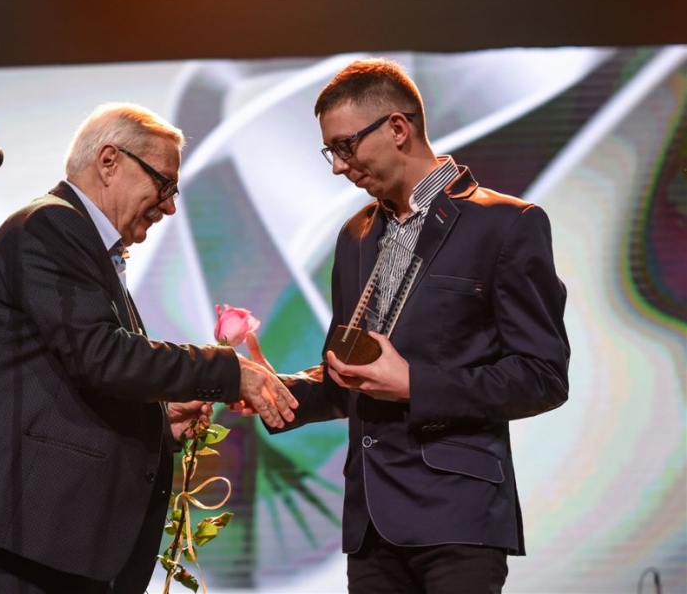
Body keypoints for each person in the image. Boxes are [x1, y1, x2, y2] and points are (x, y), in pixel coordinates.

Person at [0, 102, 297, 594]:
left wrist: (159, 420)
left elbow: (69, 381)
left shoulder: (84, 247)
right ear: (110, 161)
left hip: (45, 541)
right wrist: (226, 370)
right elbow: (101, 355)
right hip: (19, 535)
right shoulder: (51, 225)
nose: (170, 206)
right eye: (164, 184)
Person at [244, 58, 570, 593]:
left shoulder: (507, 224)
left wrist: (417, 385)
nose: (338, 166)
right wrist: (277, 390)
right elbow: (350, 374)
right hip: (371, 525)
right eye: (330, 152)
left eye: (346, 146)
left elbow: (543, 376)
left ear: (398, 128)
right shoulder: (354, 234)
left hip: (458, 518)